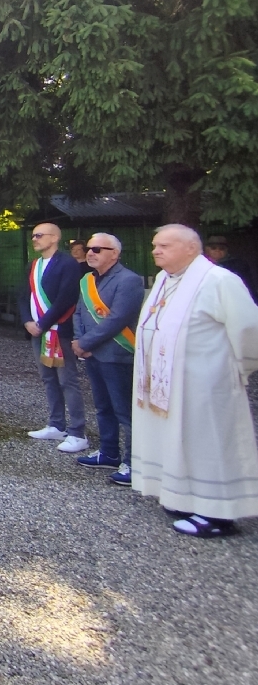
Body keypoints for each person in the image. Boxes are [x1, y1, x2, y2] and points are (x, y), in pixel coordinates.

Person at [133, 224, 258, 538]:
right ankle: (183, 496)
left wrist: (240, 369)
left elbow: (248, 330)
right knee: (179, 440)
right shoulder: (164, 279)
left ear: (191, 248)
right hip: (168, 384)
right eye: (155, 245)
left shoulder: (219, 281)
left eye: (164, 245)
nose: (155, 251)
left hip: (206, 384)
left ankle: (219, 514)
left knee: (208, 443)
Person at [70, 233, 145, 484]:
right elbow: (79, 312)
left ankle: (134, 463)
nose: (91, 253)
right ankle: (109, 452)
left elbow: (117, 319)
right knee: (103, 407)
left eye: (98, 249)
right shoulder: (87, 280)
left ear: (115, 253)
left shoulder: (129, 280)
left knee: (125, 411)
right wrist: (80, 341)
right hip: (92, 354)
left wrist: (85, 343)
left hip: (117, 355)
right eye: (89, 249)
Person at [20, 223, 87, 453]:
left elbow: (66, 298)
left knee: (67, 380)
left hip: (59, 331)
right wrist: (27, 321)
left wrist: (43, 324)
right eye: (33, 236)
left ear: (55, 238)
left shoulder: (67, 264)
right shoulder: (34, 265)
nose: (35, 239)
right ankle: (56, 424)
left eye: (39, 235)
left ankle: (77, 431)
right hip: (36, 331)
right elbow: (22, 294)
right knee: (47, 378)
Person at [204, 235, 256, 301]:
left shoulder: (239, 265)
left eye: (221, 248)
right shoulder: (201, 265)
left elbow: (248, 287)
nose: (217, 251)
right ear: (206, 249)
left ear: (226, 250)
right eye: (213, 248)